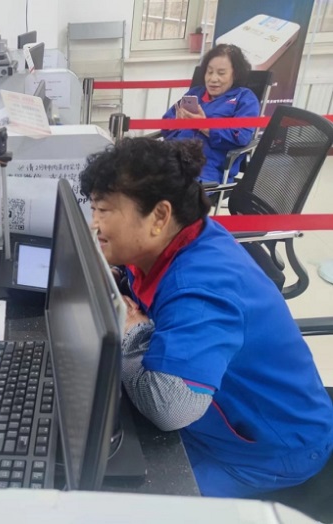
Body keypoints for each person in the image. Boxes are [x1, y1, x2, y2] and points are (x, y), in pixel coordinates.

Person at [79, 137, 333, 498]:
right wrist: (114, 280)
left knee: (124, 502)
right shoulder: (176, 240)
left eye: (104, 211)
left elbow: (170, 409)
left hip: (266, 449)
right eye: (93, 210)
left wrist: (132, 334)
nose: (95, 224)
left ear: (159, 216)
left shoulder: (201, 288)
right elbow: (146, 286)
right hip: (213, 419)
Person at [162, 44, 260, 184]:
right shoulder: (195, 93)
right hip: (171, 160)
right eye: (209, 72)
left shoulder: (245, 98)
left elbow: (242, 137)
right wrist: (176, 124)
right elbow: (166, 126)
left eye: (221, 73)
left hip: (206, 170)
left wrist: (205, 126)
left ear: (235, 74)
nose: (213, 79)